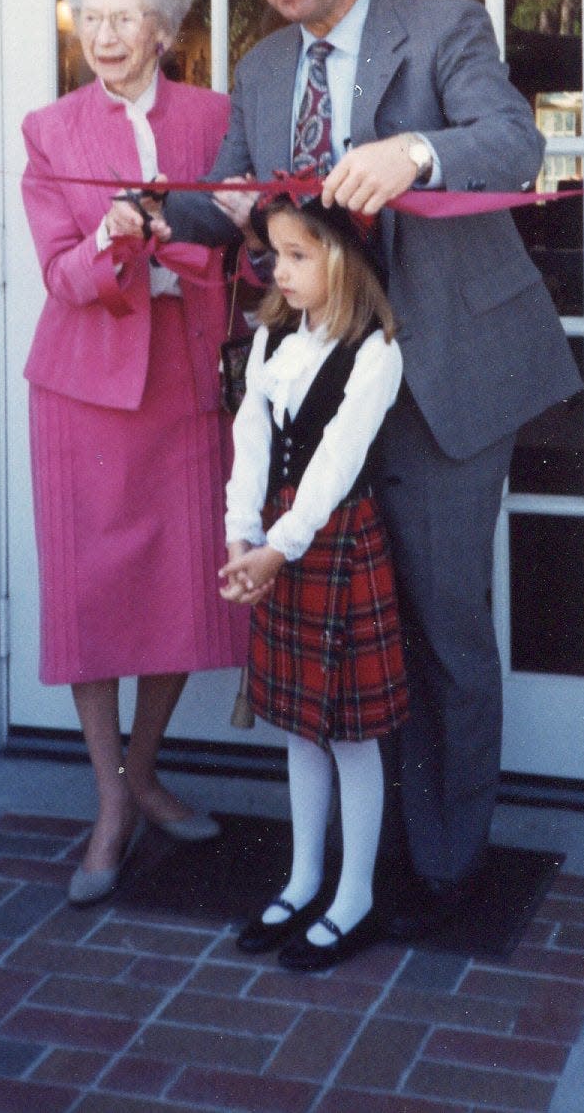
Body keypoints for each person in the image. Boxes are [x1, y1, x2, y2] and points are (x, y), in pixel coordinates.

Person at [165, 0, 581, 927]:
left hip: (443, 377)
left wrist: (413, 154)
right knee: (348, 622)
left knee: (444, 625)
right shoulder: (263, 73)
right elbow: (232, 199)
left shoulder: (444, 32)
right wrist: (152, 216)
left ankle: (445, 863)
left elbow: (514, 144)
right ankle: (361, 858)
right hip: (322, 392)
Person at [21, 0, 249, 907]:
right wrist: (114, 240)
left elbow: (243, 247)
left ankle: (142, 772)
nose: (104, 37)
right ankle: (109, 803)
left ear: (164, 28)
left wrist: (191, 234)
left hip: (186, 385)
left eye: (125, 19)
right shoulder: (51, 129)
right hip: (84, 391)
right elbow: (60, 275)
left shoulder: (215, 116)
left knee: (175, 593)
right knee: (94, 597)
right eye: (90, 18)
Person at [219, 189, 406, 970]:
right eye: (273, 256)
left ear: (343, 256)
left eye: (299, 255)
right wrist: (241, 532)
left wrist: (280, 545)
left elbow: (334, 467)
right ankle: (302, 878)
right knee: (299, 723)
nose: (280, 272)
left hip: (333, 544)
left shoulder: (374, 353)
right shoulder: (272, 339)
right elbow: (250, 439)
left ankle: (353, 894)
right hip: (279, 544)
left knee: (350, 734)